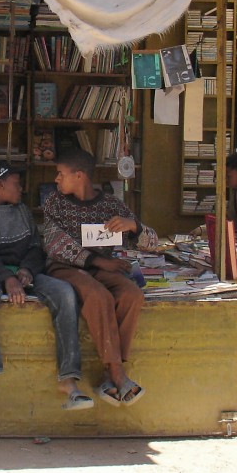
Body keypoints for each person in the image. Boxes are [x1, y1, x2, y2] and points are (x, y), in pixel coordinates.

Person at [0, 161, 87, 414]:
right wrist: (7, 278)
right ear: (0, 184)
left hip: (22, 272)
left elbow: (34, 246)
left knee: (65, 292)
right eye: (16, 183)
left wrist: (26, 271)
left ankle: (68, 380)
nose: (21, 188)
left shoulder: (21, 211)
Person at [41, 148, 158, 407]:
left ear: (79, 176)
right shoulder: (55, 203)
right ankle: (117, 372)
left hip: (102, 270)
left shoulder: (111, 206)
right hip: (65, 268)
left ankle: (109, 372)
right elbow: (53, 243)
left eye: (61, 174)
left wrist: (134, 226)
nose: (57, 180)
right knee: (98, 296)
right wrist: (97, 260)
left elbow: (152, 243)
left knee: (131, 294)